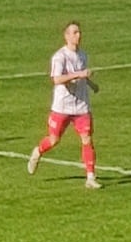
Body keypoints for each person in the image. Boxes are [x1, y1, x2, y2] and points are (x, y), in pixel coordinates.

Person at [27, 22, 100, 189]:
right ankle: (37, 152)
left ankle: (90, 177)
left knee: (87, 139)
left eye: (79, 32)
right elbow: (56, 79)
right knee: (54, 140)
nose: (78, 35)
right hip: (62, 107)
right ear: (66, 36)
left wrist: (91, 84)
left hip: (81, 106)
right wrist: (78, 74)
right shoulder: (60, 57)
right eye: (74, 33)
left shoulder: (83, 55)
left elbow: (82, 74)